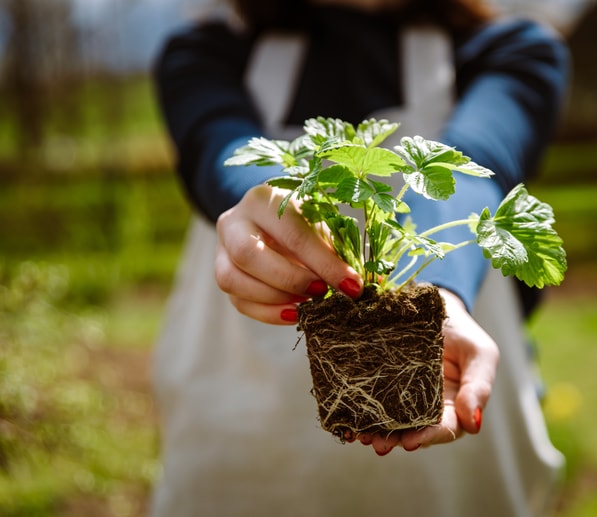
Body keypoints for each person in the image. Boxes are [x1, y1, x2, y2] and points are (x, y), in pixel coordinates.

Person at [150, 0, 570, 515]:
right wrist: (260, 210)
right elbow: (221, 146)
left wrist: (439, 293)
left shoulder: (514, 49)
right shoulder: (205, 50)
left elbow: (471, 169)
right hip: (239, 464)